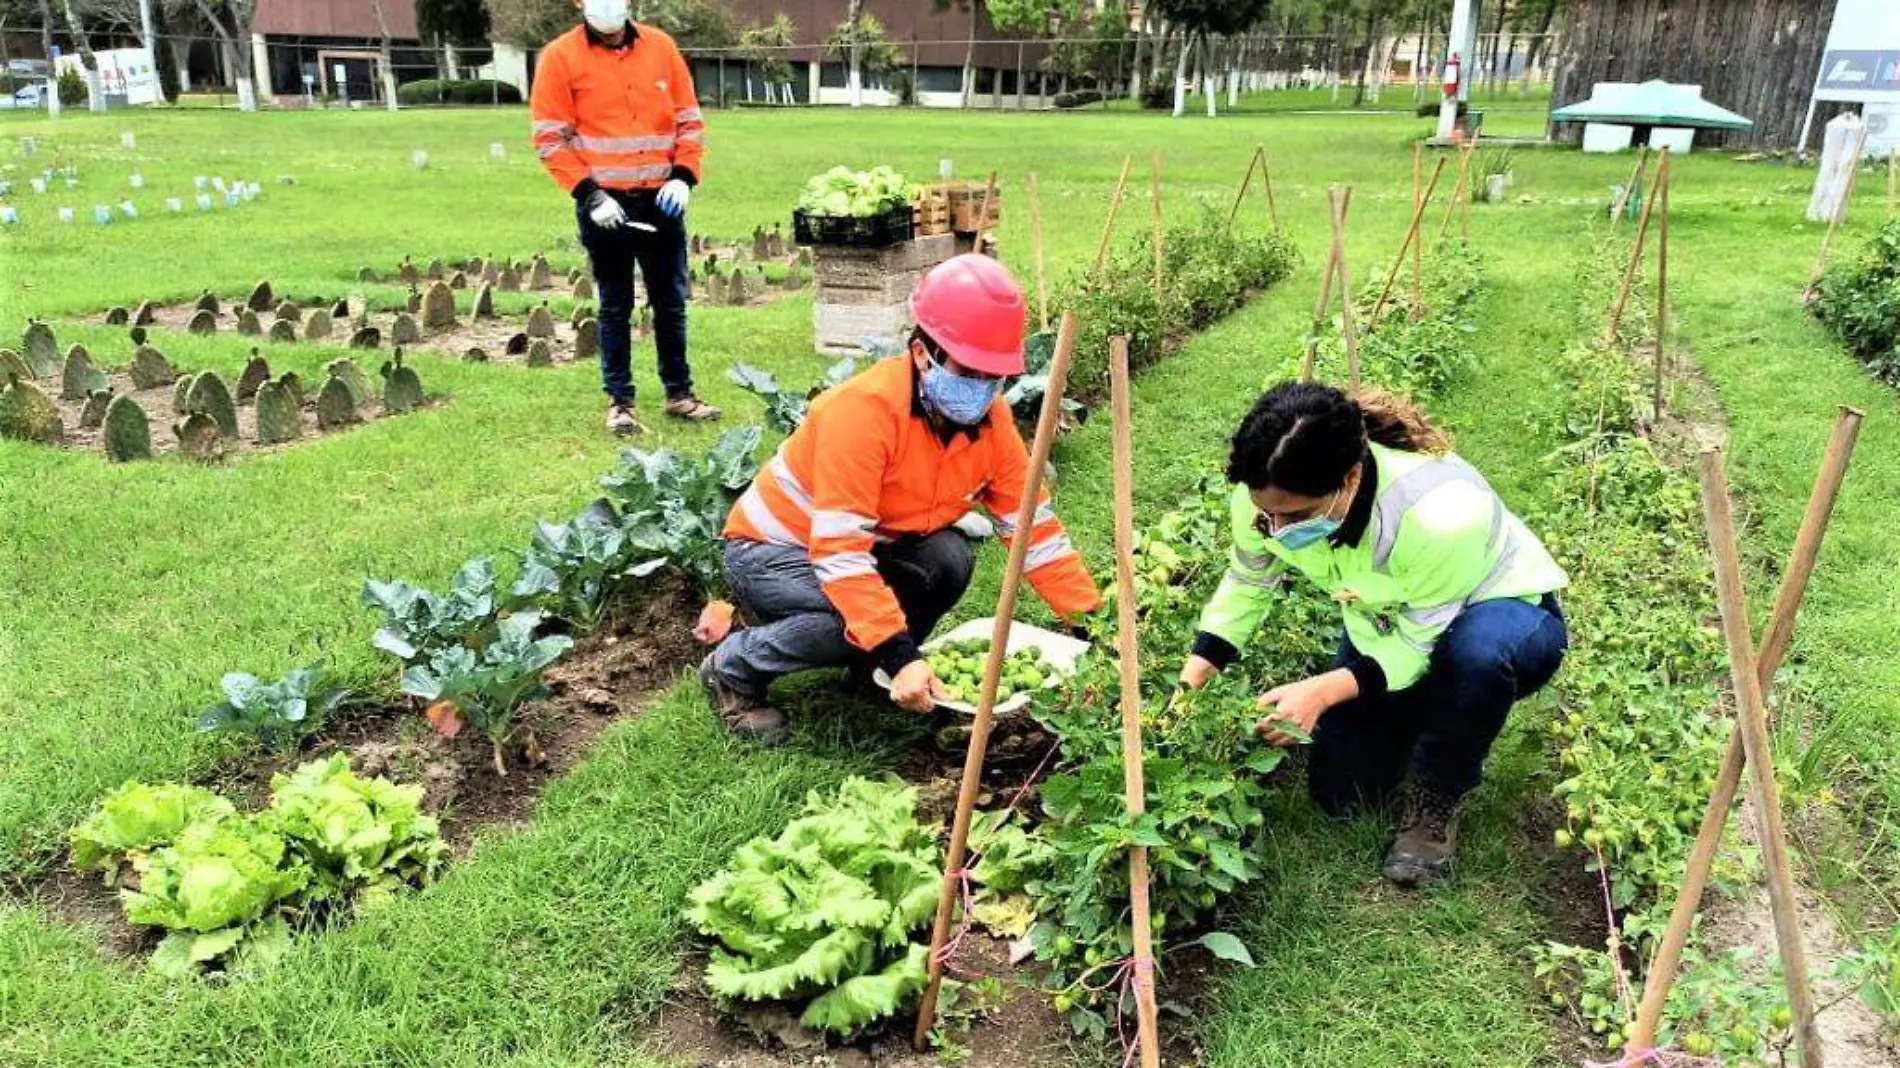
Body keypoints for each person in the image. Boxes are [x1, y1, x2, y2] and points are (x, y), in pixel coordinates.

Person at [700, 254, 1102, 745]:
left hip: (858, 550)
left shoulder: (992, 427)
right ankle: (733, 668)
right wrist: (901, 654)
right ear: (921, 353)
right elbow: (840, 555)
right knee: (845, 619)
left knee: (950, 558)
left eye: (992, 375)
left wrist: (1092, 626)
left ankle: (873, 670)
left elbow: (1035, 534)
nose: (981, 389)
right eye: (968, 370)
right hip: (770, 551)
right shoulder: (863, 413)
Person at [1179, 382, 1569, 886]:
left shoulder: (1439, 515)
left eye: (1294, 517)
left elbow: (1418, 641)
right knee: (1344, 796)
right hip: (1387, 624)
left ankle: (1438, 795)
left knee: (1473, 657)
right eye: (1266, 515)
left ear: (1351, 476)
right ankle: (1427, 717)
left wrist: (1322, 689)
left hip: (1503, 613)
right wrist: (1192, 677)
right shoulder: (1262, 493)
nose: (1275, 529)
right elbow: (1250, 582)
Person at [530, 0, 721, 436]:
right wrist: (590, 195)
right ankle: (620, 402)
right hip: (605, 206)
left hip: (662, 199)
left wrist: (683, 177)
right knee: (615, 303)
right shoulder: (560, 57)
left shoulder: (661, 48)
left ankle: (679, 393)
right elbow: (550, 139)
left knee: (670, 302)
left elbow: (689, 122)